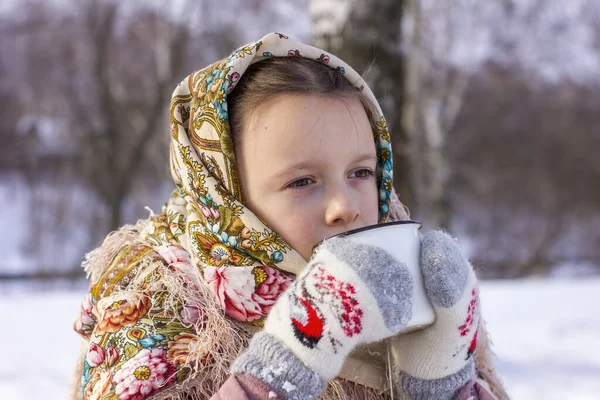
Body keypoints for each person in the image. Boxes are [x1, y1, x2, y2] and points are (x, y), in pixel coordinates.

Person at [72, 33, 508, 400]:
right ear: (225, 195)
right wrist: (288, 361)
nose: (347, 207)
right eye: (302, 181)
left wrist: (444, 379)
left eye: (361, 173)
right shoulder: (158, 302)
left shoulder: (412, 290)